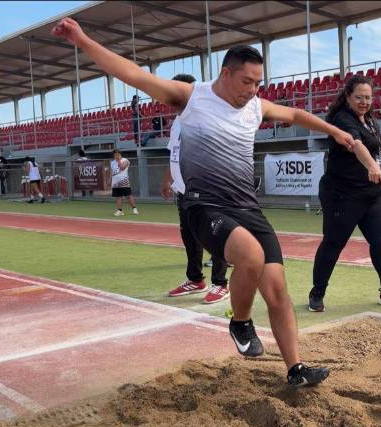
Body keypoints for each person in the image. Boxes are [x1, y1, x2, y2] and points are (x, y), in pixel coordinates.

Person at [54, 18, 349, 386]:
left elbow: (294, 114)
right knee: (251, 257)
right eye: (247, 81)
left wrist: (335, 131)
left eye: (258, 83)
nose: (252, 90)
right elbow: (132, 74)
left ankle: (295, 369)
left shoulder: (255, 107)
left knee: (277, 289)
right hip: (204, 206)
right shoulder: (192, 97)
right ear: (226, 73)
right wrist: (81, 38)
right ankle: (240, 322)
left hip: (246, 207)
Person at [308, 75, 381, 313]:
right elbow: (356, 144)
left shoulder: (369, 120)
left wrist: (375, 171)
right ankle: (317, 292)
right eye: (359, 97)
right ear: (347, 96)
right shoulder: (341, 119)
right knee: (333, 243)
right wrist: (372, 166)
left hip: (371, 194)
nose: (364, 102)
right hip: (342, 194)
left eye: (368, 97)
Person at [160, 73, 230, 305]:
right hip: (183, 190)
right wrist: (167, 179)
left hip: (207, 188)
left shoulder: (206, 116)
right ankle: (195, 279)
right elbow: (174, 152)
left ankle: (220, 283)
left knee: (215, 234)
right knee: (190, 236)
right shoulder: (177, 121)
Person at [110, 149, 138, 216]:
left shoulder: (125, 160)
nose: (116, 156)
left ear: (120, 154)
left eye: (117, 155)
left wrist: (119, 160)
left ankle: (134, 208)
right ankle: (120, 210)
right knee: (118, 197)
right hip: (115, 183)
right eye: (115, 155)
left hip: (124, 182)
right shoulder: (112, 162)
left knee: (128, 196)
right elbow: (112, 172)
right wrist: (110, 180)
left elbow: (122, 168)